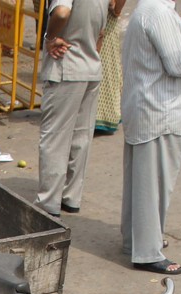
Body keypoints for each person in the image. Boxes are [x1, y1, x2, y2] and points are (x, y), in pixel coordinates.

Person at [120, 0, 181, 275]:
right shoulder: (157, 13)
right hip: (159, 111)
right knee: (154, 184)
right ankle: (147, 251)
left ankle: (138, 240)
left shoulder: (150, 10)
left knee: (143, 183)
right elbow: (178, 65)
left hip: (150, 107)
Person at [35, 0, 107, 217]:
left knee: (55, 138)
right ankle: (71, 196)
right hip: (91, 64)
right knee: (81, 136)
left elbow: (62, 12)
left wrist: (49, 38)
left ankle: (48, 201)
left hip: (67, 63)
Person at [94, 0, 129, 135]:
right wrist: (116, 10)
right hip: (106, 23)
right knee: (106, 68)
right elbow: (115, 7)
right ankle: (101, 115)